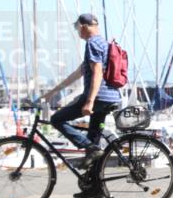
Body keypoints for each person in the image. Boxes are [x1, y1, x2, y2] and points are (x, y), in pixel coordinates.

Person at [41, 14, 122, 176]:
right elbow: (77, 74)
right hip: (110, 96)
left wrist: (89, 101)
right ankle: (94, 181)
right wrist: (52, 93)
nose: (77, 31)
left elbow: (97, 72)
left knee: (57, 119)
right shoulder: (104, 43)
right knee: (93, 142)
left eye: (77, 28)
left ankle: (91, 148)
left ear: (83, 27)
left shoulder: (92, 43)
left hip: (98, 97)